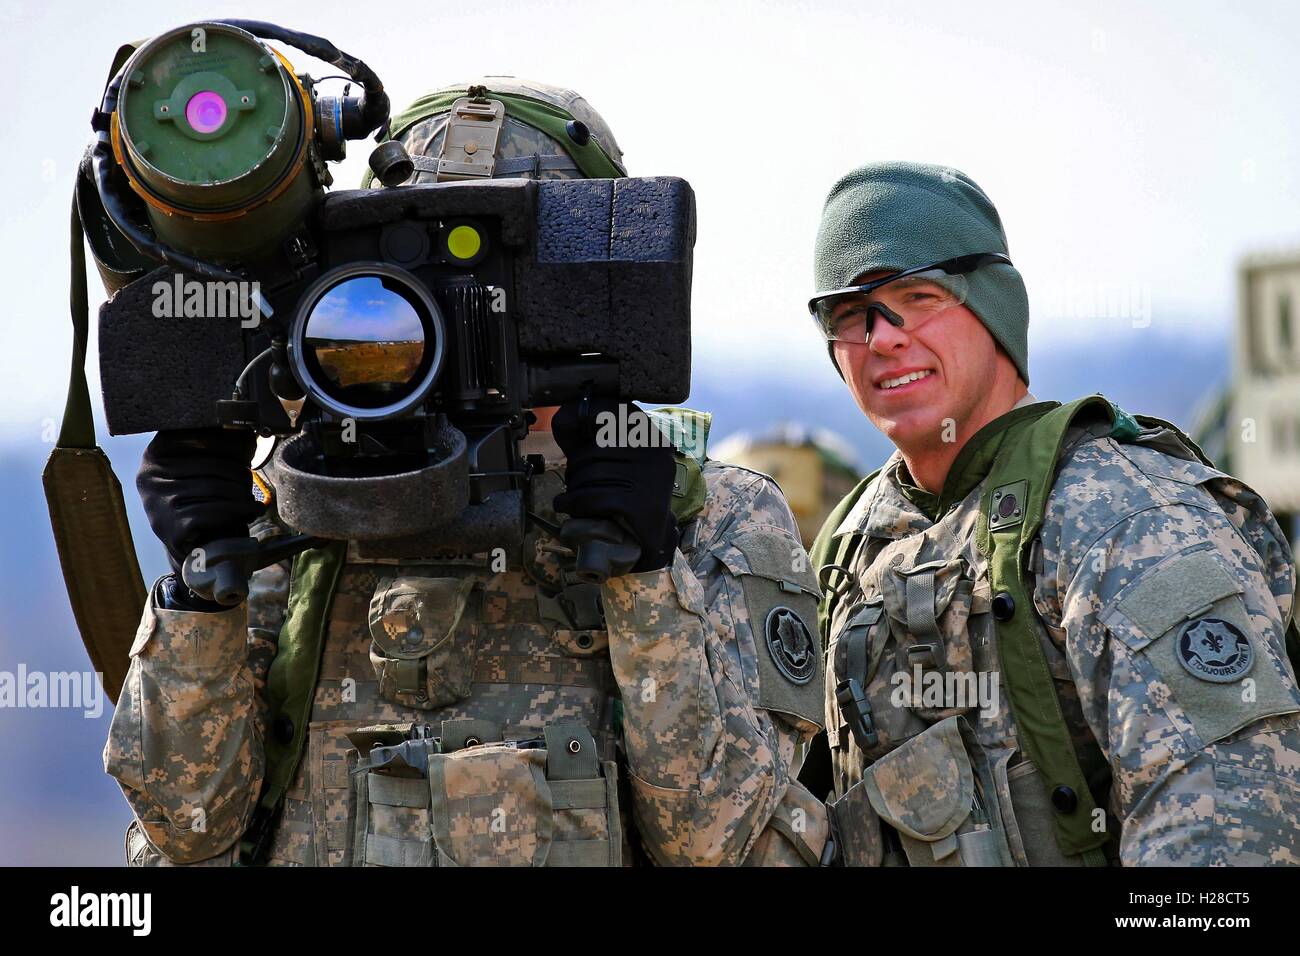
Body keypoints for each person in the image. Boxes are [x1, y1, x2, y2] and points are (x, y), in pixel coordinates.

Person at [104, 79, 829, 868]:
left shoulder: (712, 515)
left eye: (503, 272)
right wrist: (198, 594)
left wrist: (645, 574)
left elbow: (716, 841)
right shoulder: (303, 513)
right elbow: (189, 827)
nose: (465, 310)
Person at [805, 161, 1300, 866]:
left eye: (916, 298)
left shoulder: (1125, 512)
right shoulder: (847, 548)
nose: (883, 337)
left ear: (995, 309)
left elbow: (1232, 835)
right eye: (850, 315)